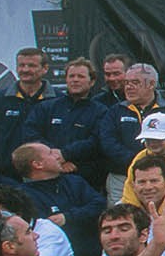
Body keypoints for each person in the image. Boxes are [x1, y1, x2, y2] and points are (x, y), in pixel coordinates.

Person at [20, 58, 108, 189]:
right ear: (66, 80)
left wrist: (66, 154)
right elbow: (31, 134)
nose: (75, 80)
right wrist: (56, 158)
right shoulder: (46, 107)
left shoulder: (101, 111)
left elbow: (96, 141)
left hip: (83, 178)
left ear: (92, 81)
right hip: (43, 177)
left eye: (81, 76)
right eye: (71, 76)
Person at [97, 62, 165, 204]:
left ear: (151, 84)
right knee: (121, 215)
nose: (128, 87)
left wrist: (154, 164)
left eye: (135, 82)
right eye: (127, 83)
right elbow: (108, 142)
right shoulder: (115, 111)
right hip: (121, 177)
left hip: (161, 177)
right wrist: (138, 161)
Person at [13, 141, 107, 256]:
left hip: (95, 253)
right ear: (38, 164)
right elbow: (45, 225)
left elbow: (100, 204)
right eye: (50, 153)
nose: (58, 156)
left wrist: (67, 217)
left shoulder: (75, 181)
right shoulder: (23, 196)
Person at [0, 48, 54, 179]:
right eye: (21, 65)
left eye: (31, 66)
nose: (25, 70)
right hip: (4, 173)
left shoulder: (58, 100)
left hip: (44, 172)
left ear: (45, 68)